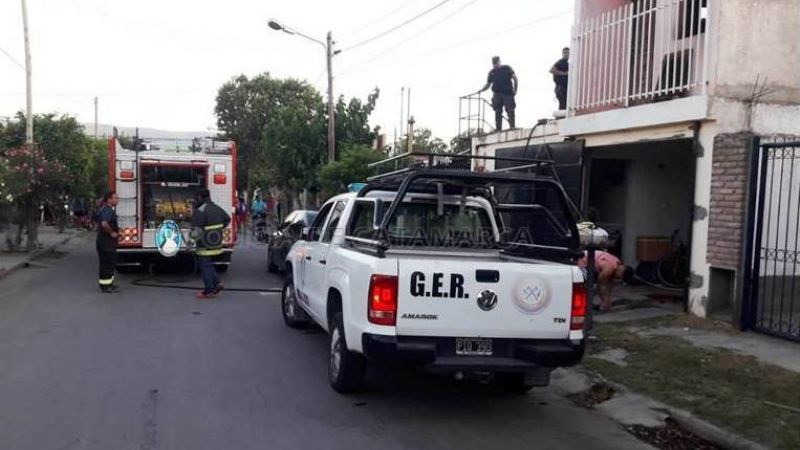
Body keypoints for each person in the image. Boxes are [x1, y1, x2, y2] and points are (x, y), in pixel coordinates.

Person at [191, 189, 231, 299]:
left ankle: (209, 290)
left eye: (196, 198)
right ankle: (216, 282)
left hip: (204, 243)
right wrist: (217, 230)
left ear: (200, 197)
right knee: (207, 263)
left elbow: (196, 229)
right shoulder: (215, 207)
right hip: (215, 242)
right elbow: (227, 219)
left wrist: (190, 242)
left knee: (204, 265)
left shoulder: (200, 210)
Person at [479, 56, 518, 131]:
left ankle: (512, 126)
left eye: (496, 63)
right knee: (497, 111)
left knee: (510, 109)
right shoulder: (491, 72)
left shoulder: (507, 68)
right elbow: (488, 84)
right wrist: (481, 90)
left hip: (507, 93)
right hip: (497, 94)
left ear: (499, 62)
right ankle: (498, 129)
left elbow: (515, 78)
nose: (495, 65)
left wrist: (515, 90)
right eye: (493, 64)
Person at [96, 191, 120, 293]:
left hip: (104, 242)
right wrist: (111, 233)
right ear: (109, 199)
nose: (117, 200)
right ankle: (106, 286)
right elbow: (104, 223)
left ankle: (108, 284)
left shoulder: (106, 209)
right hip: (106, 242)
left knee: (107, 264)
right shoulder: (107, 210)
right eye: (115, 198)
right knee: (107, 264)